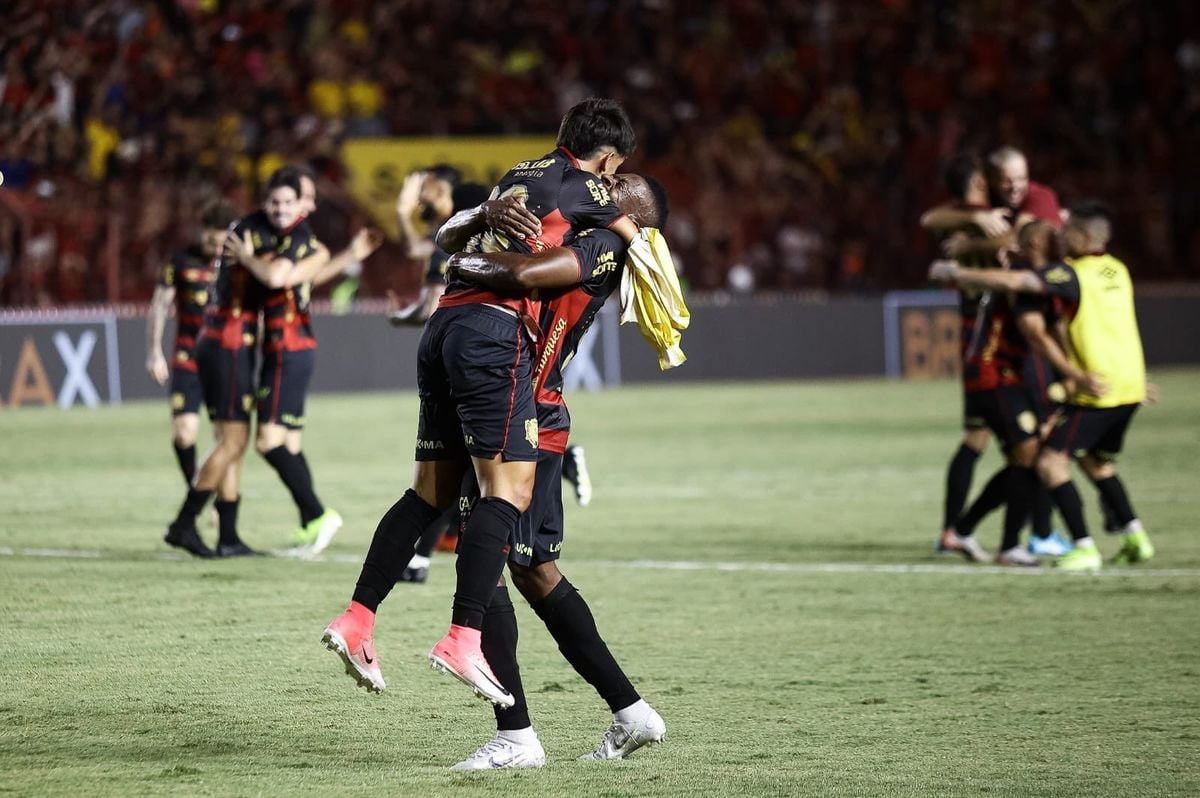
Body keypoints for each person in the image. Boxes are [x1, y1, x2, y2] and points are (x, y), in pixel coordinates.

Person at [321, 97, 639, 708]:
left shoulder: (515, 175)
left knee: (429, 493)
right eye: (613, 170)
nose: (610, 184)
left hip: (443, 323)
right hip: (494, 333)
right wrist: (643, 249)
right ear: (605, 158)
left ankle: (358, 617)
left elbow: (447, 234)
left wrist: (471, 235)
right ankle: (464, 636)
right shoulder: (588, 187)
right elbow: (635, 229)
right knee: (506, 494)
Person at [440, 172, 670, 769]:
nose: (599, 182)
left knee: (484, 563)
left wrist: (461, 265)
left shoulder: (599, 247)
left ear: (631, 216)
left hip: (519, 409)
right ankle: (631, 712)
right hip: (539, 411)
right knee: (537, 572)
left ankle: (515, 735)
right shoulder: (590, 238)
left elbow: (518, 275)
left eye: (615, 182)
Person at [929, 201, 1155, 571]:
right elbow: (1050, 330)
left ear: (1082, 237)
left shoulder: (1069, 275)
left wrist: (958, 270)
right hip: (1105, 384)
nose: (1060, 238)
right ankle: (1124, 537)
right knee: (1075, 461)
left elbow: (1045, 321)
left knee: (1048, 461)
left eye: (1065, 233)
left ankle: (1075, 545)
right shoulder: (1116, 270)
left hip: (1090, 387)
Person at [236, 165, 384, 556]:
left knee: (268, 443)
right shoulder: (292, 240)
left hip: (286, 348)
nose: (310, 204)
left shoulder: (294, 239)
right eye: (306, 196)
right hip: (289, 347)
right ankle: (310, 522)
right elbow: (306, 277)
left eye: (299, 200)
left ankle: (318, 514)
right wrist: (347, 254)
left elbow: (282, 278)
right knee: (290, 443)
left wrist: (247, 259)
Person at [146, 200, 238, 488]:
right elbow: (160, 305)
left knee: (225, 438)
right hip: (188, 358)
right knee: (184, 434)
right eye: (211, 240)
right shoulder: (181, 261)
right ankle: (194, 490)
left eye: (222, 242)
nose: (216, 248)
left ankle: (215, 499)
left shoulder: (239, 266)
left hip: (225, 359)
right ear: (202, 233)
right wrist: (154, 352)